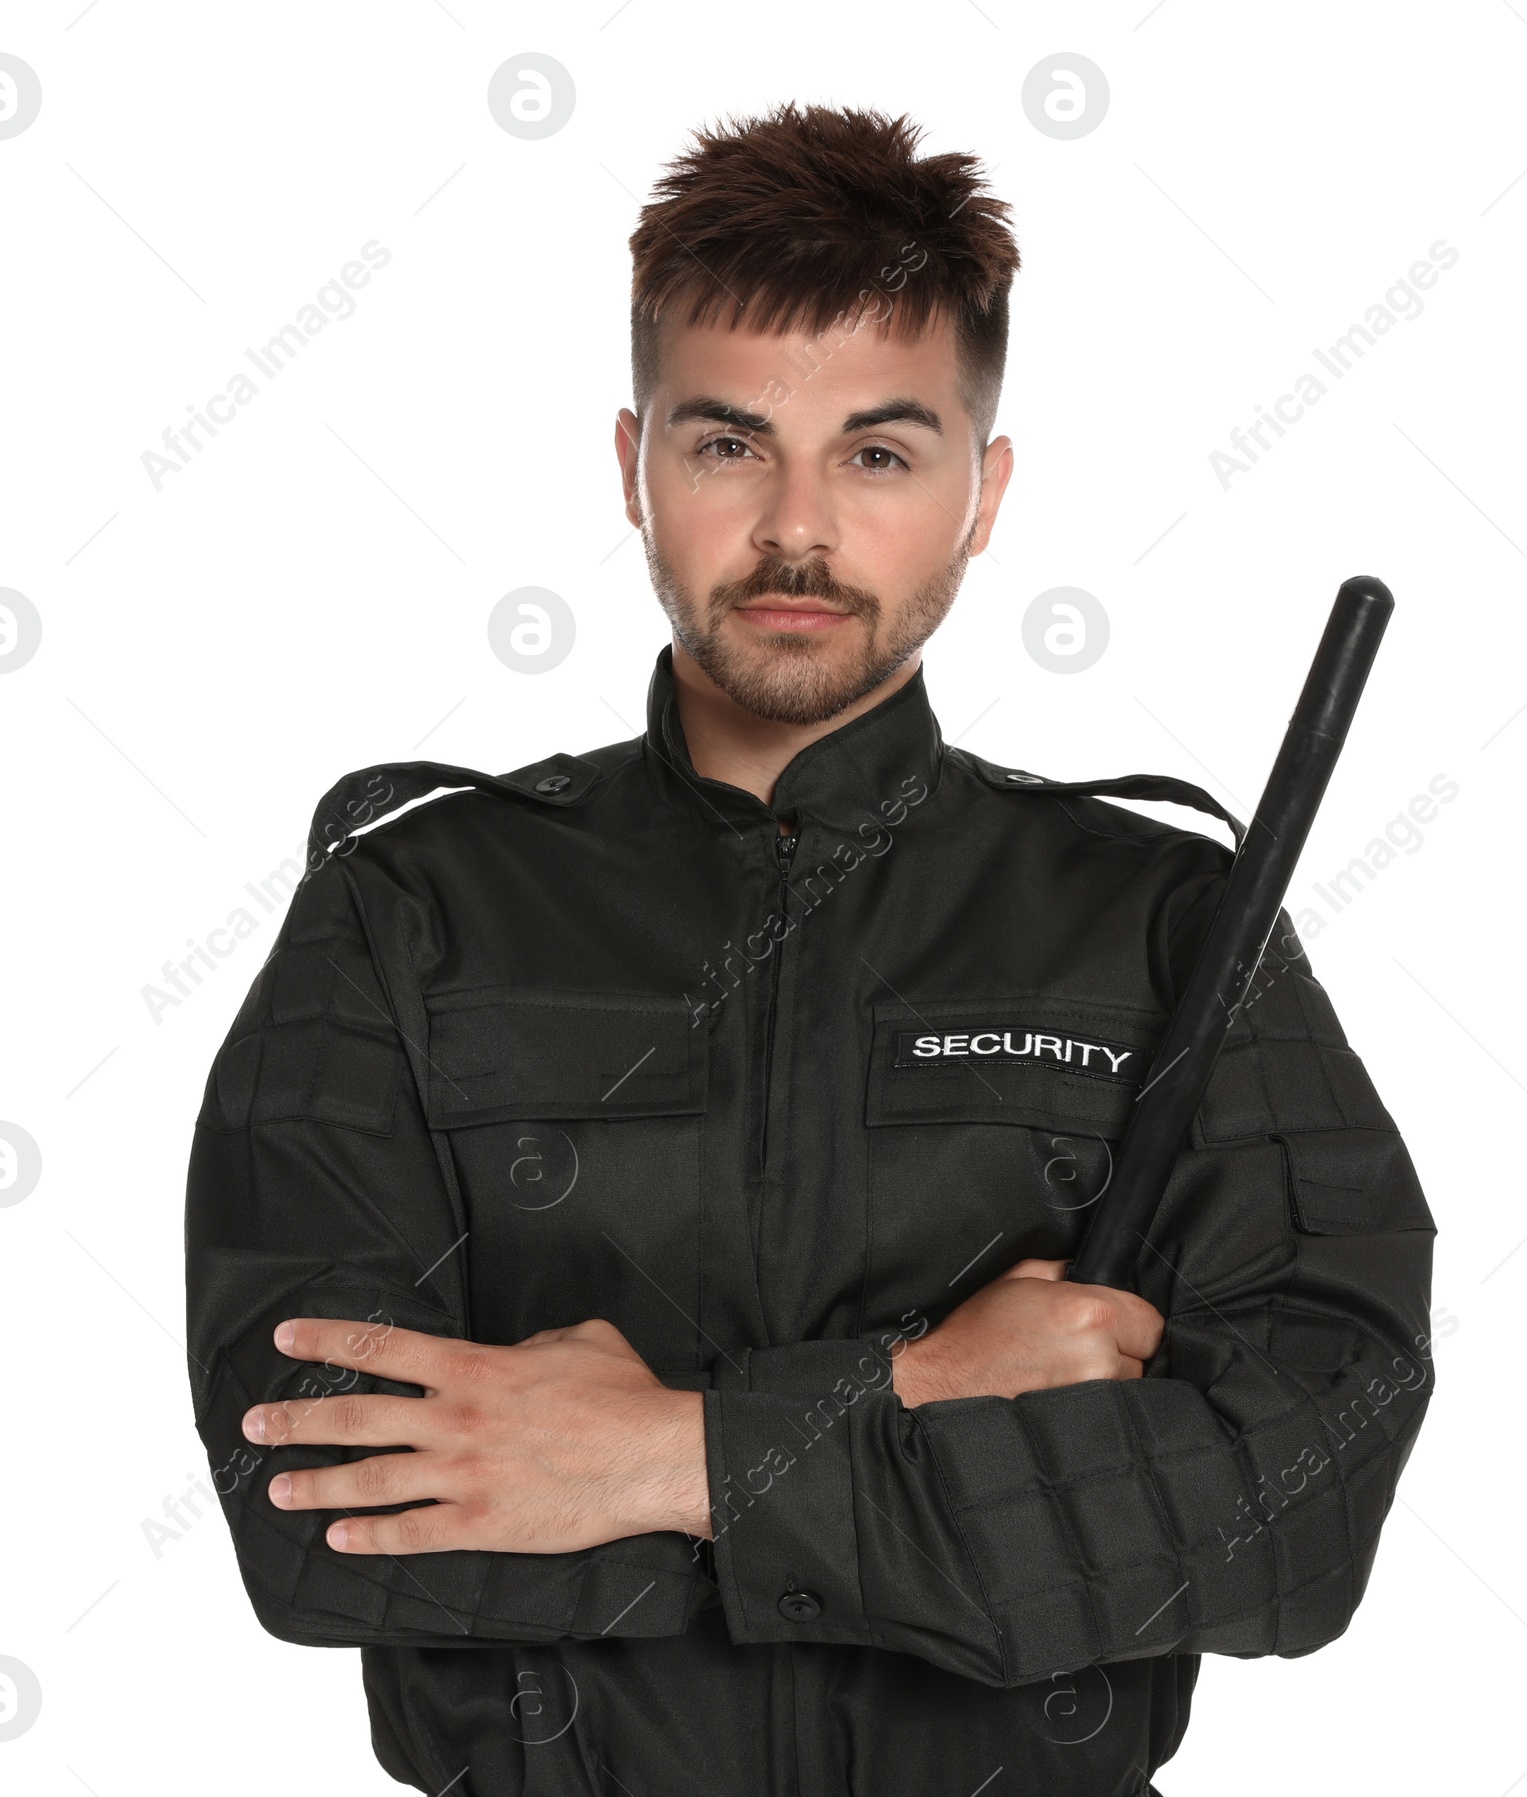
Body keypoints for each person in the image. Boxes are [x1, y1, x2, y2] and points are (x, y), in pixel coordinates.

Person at [185, 100, 1436, 1797]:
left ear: (982, 492)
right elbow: (323, 1519)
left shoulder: (1169, 930)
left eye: (878, 451)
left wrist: (656, 1454)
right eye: (726, 446)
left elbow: (1293, 1513)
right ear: (631, 462)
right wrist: (924, 1397)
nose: (795, 526)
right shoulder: (407, 913)